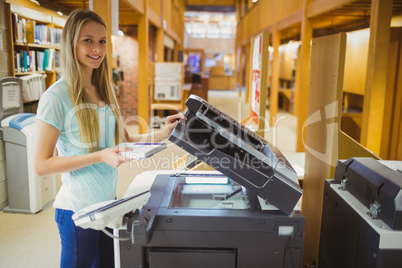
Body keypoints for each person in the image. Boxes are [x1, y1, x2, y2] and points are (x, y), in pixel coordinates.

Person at [34, 9, 185, 268]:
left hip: (108, 205)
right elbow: (41, 165)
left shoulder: (105, 89)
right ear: (72, 43)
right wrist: (100, 156)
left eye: (102, 41)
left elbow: (124, 137)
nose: (97, 48)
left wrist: (162, 133)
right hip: (77, 211)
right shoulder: (55, 97)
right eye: (88, 40)